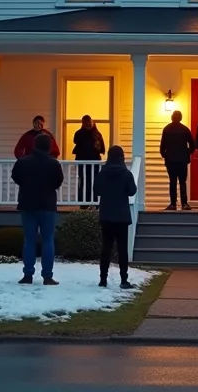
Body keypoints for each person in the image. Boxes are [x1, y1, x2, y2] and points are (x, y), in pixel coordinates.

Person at [11, 133, 63, 285]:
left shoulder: (22, 162)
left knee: (29, 239)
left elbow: (16, 177)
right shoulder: (54, 164)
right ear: (48, 147)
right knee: (48, 240)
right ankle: (47, 275)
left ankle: (28, 275)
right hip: (47, 205)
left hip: (27, 204)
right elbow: (57, 182)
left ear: (34, 145)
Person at [94, 146, 137, 289]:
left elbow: (97, 190)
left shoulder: (102, 173)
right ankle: (124, 280)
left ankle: (103, 279)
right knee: (122, 249)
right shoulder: (126, 174)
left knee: (106, 247)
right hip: (122, 216)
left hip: (106, 215)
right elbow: (132, 192)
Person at [159, 110, 196, 210]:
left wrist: (165, 155)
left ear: (172, 117)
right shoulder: (185, 129)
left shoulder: (167, 129)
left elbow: (163, 146)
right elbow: (193, 144)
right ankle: (184, 203)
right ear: (180, 118)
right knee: (182, 181)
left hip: (170, 159)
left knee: (172, 181)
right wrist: (188, 152)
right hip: (182, 159)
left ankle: (173, 204)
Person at [72, 115, 106, 208]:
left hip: (94, 163)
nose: (89, 125)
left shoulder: (97, 134)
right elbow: (76, 141)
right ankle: (84, 203)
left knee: (94, 181)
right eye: (87, 124)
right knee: (84, 182)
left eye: (90, 123)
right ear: (83, 124)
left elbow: (101, 148)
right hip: (82, 163)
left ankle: (95, 202)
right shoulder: (79, 134)